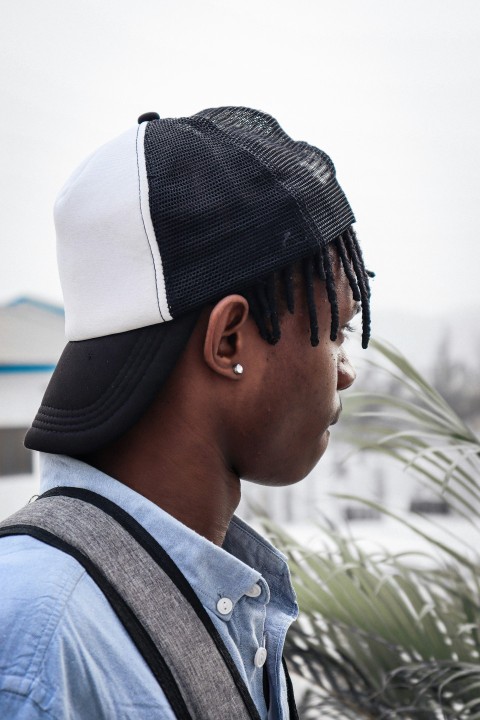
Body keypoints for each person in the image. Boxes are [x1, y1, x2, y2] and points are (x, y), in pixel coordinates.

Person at [0, 107, 372, 719]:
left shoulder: (220, 593)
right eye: (336, 329)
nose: (345, 369)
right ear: (229, 341)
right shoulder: (40, 640)